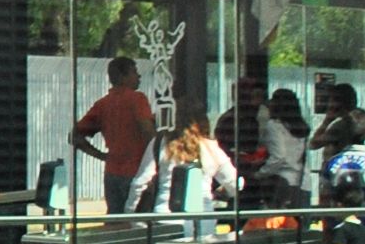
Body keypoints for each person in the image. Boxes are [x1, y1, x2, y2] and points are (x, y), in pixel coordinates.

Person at [71, 57, 158, 214]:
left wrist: (102, 156)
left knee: (115, 223)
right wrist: (157, 160)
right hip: (137, 171)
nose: (139, 76)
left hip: (112, 172)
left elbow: (75, 136)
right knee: (140, 224)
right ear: (122, 77)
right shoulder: (137, 98)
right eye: (134, 72)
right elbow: (148, 131)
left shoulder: (103, 104)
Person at [161, 110, 239, 221]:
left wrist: (129, 214)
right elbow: (235, 184)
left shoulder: (161, 144)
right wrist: (223, 191)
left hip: (165, 215)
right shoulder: (211, 148)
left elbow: (139, 183)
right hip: (203, 216)